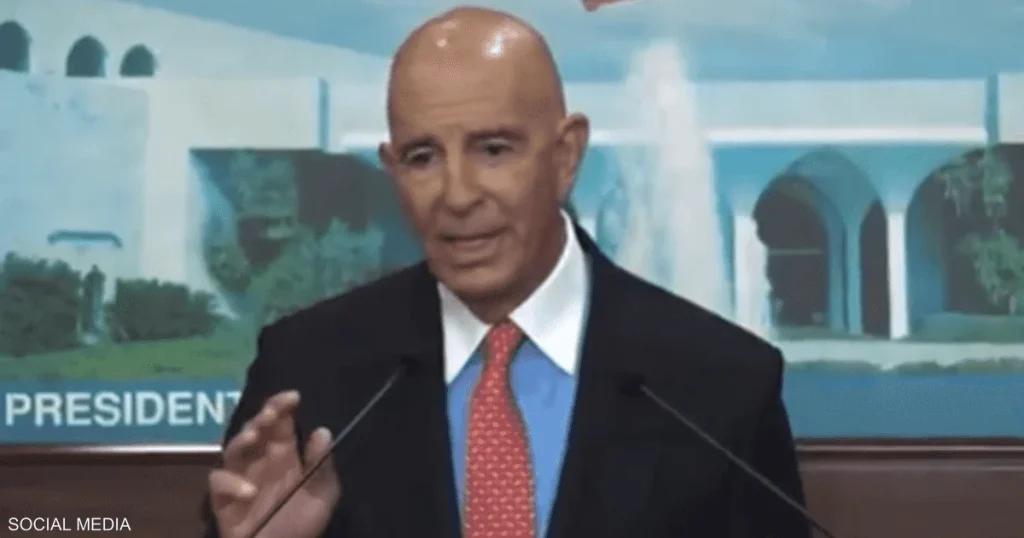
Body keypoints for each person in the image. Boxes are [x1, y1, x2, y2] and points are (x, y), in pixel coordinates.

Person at [203, 6, 810, 538]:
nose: (458, 195)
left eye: (493, 149)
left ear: (565, 156)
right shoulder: (306, 374)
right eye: (423, 157)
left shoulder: (721, 384)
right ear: (392, 170)